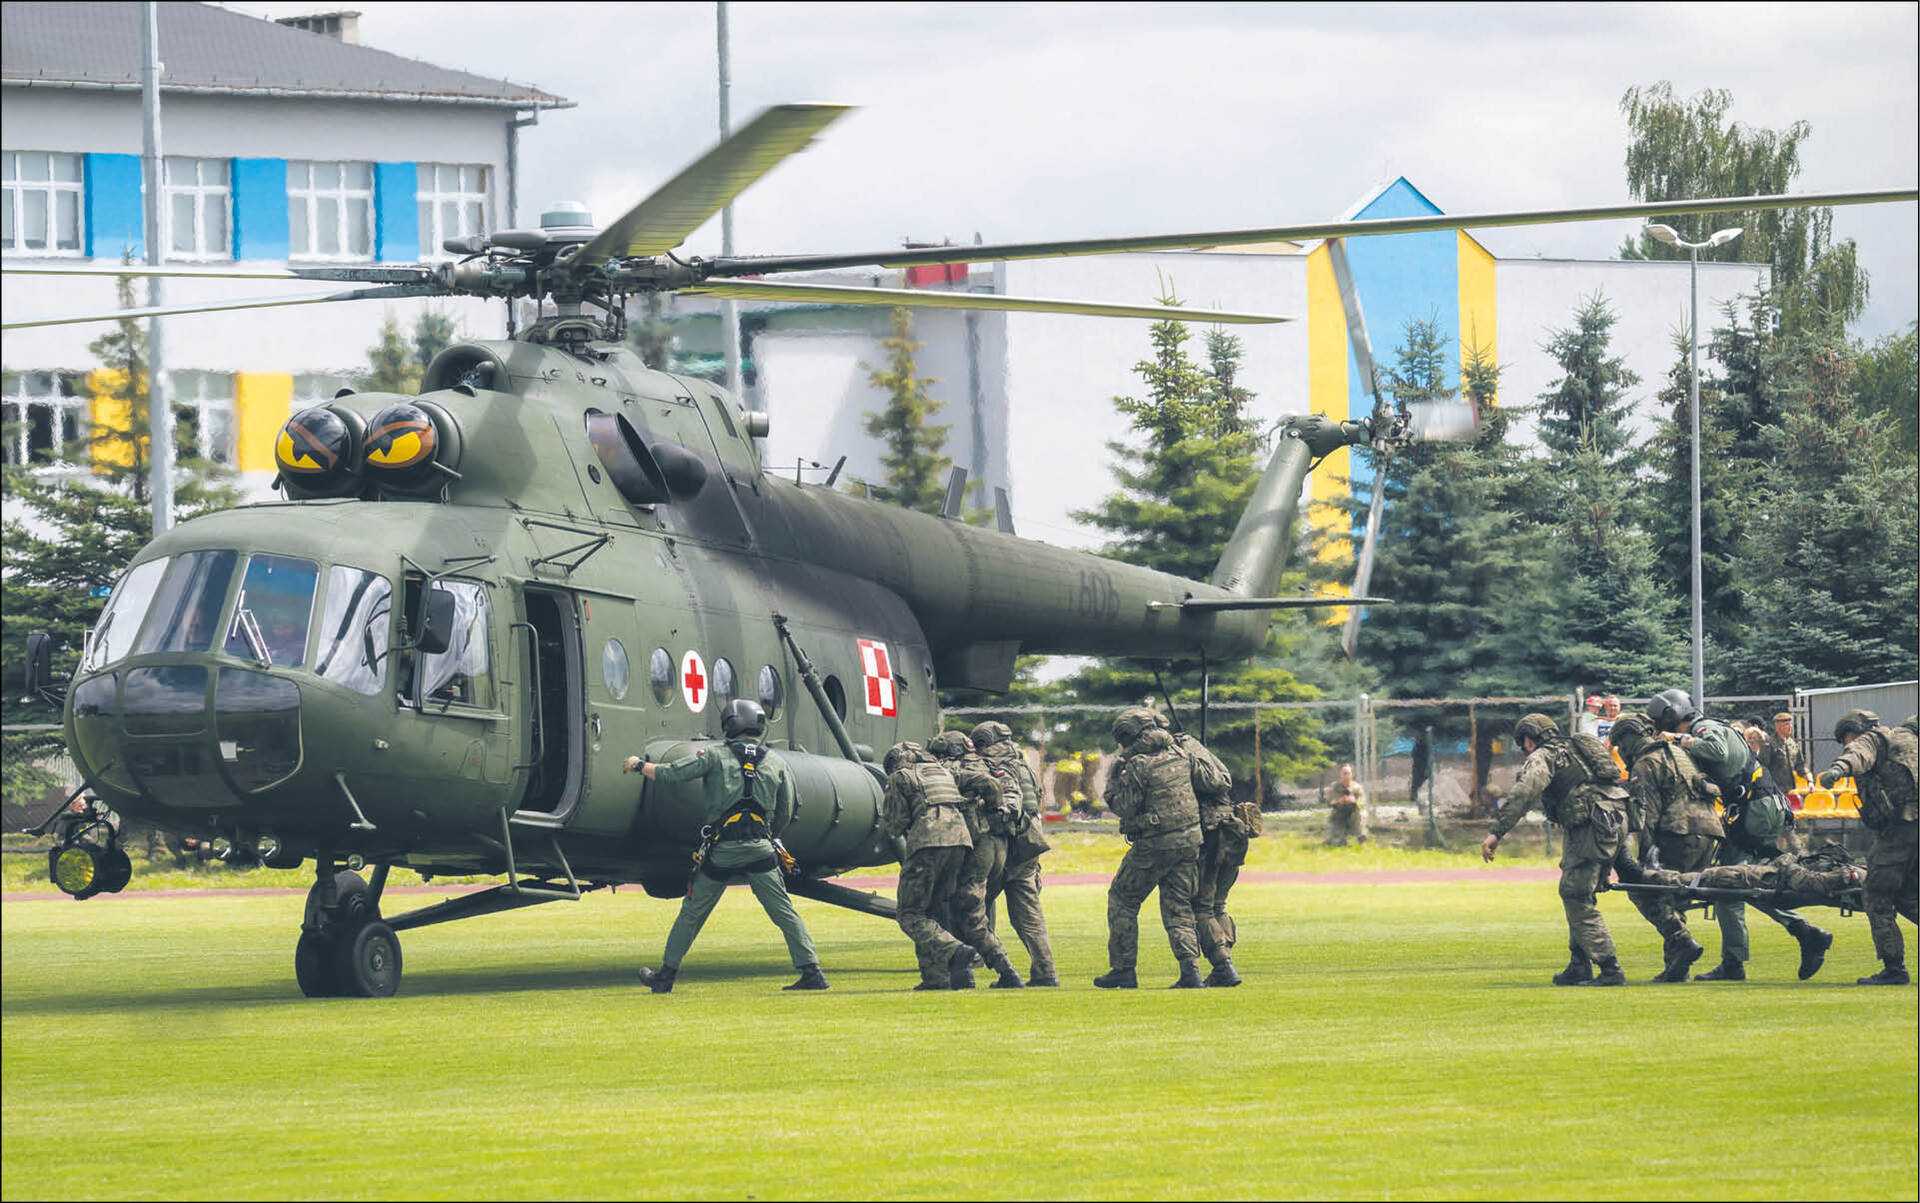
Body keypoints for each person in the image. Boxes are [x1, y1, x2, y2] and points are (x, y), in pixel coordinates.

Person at [628, 700, 827, 993]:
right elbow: (786, 809)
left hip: (722, 852)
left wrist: (639, 765)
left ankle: (665, 976)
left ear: (730, 723)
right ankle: (812, 972)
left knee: (692, 913)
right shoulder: (776, 761)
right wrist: (766, 834)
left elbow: (672, 774)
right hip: (761, 849)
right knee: (784, 912)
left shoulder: (715, 755)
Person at [1646, 687, 1831, 982]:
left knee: (1730, 884)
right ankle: (1786, 939)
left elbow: (1716, 751)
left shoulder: (1704, 728)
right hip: (1759, 807)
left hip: (1755, 809)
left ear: (1672, 716)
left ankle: (1798, 936)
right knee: (1736, 886)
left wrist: (1679, 739)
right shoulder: (1711, 727)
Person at [1480, 713, 1627, 986]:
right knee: (1580, 893)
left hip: (1590, 827)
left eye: (1523, 742)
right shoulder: (1576, 749)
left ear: (1529, 738)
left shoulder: (1543, 756)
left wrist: (1496, 833)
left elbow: (1524, 792)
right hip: (1616, 823)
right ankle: (1579, 964)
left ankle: (1609, 967)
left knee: (1574, 894)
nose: (1524, 748)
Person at [1096, 706, 1207, 989]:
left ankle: (1123, 969)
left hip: (1155, 845)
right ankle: (1190, 970)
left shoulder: (1138, 765)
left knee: (1122, 899)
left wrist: (1111, 782)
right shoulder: (1181, 755)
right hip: (1189, 841)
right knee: (1179, 906)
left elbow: (1125, 806)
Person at [1609, 713, 1724, 982]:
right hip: (1709, 832)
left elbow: (1646, 814)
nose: (1622, 753)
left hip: (1679, 832)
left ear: (1630, 739)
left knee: (1645, 890)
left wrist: (1646, 856)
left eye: (1621, 746)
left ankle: (1681, 941)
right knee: (1676, 897)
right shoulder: (1678, 752)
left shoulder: (1645, 763)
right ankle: (1676, 966)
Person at [1817, 708, 1919, 986]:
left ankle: (1894, 969)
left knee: (1877, 894)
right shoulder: (1907, 742)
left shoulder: (1872, 739)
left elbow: (1856, 754)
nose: (1846, 743)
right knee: (1910, 896)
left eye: (1846, 737)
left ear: (1854, 730)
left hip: (1900, 830)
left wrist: (1836, 770)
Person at [927, 731, 1025, 988]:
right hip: (999, 845)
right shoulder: (993, 765)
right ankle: (963, 976)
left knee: (967, 910)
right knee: (968, 908)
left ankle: (1006, 970)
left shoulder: (951, 768)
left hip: (974, 846)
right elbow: (1013, 800)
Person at [880, 741, 980, 990]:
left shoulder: (901, 777)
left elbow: (894, 824)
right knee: (936, 911)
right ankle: (942, 977)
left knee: (910, 914)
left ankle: (956, 950)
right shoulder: (943, 772)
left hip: (927, 843)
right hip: (960, 842)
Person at [971, 721, 1058, 986]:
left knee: (975, 903)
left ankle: (983, 963)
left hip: (1005, 844)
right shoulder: (1023, 764)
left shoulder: (991, 766)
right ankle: (1045, 971)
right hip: (1029, 845)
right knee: (1028, 913)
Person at [1167, 718, 1246, 988]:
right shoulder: (1207, 757)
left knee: (1201, 906)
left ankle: (1224, 964)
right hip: (1234, 833)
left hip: (1212, 837)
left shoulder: (1181, 758)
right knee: (1219, 905)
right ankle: (1224, 963)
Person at [1326, 762, 1368, 846]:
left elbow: (1363, 802)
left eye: (1348, 773)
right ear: (1340, 775)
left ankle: (1361, 835)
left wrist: (1354, 800)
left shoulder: (1357, 788)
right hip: (1339, 816)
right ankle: (1337, 837)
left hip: (1353, 816)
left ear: (1352, 775)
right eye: (1344, 773)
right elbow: (1329, 801)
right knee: (1337, 843)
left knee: (1361, 813)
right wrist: (1339, 801)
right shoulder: (1334, 787)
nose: (1346, 776)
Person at [1769, 712, 1804, 789]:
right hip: (1774, 788)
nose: (1790, 727)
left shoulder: (1793, 744)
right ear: (1778, 727)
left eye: (1790, 724)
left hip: (1791, 788)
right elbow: (1763, 766)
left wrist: (1810, 781)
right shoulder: (1769, 744)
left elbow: (1800, 766)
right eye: (1786, 724)